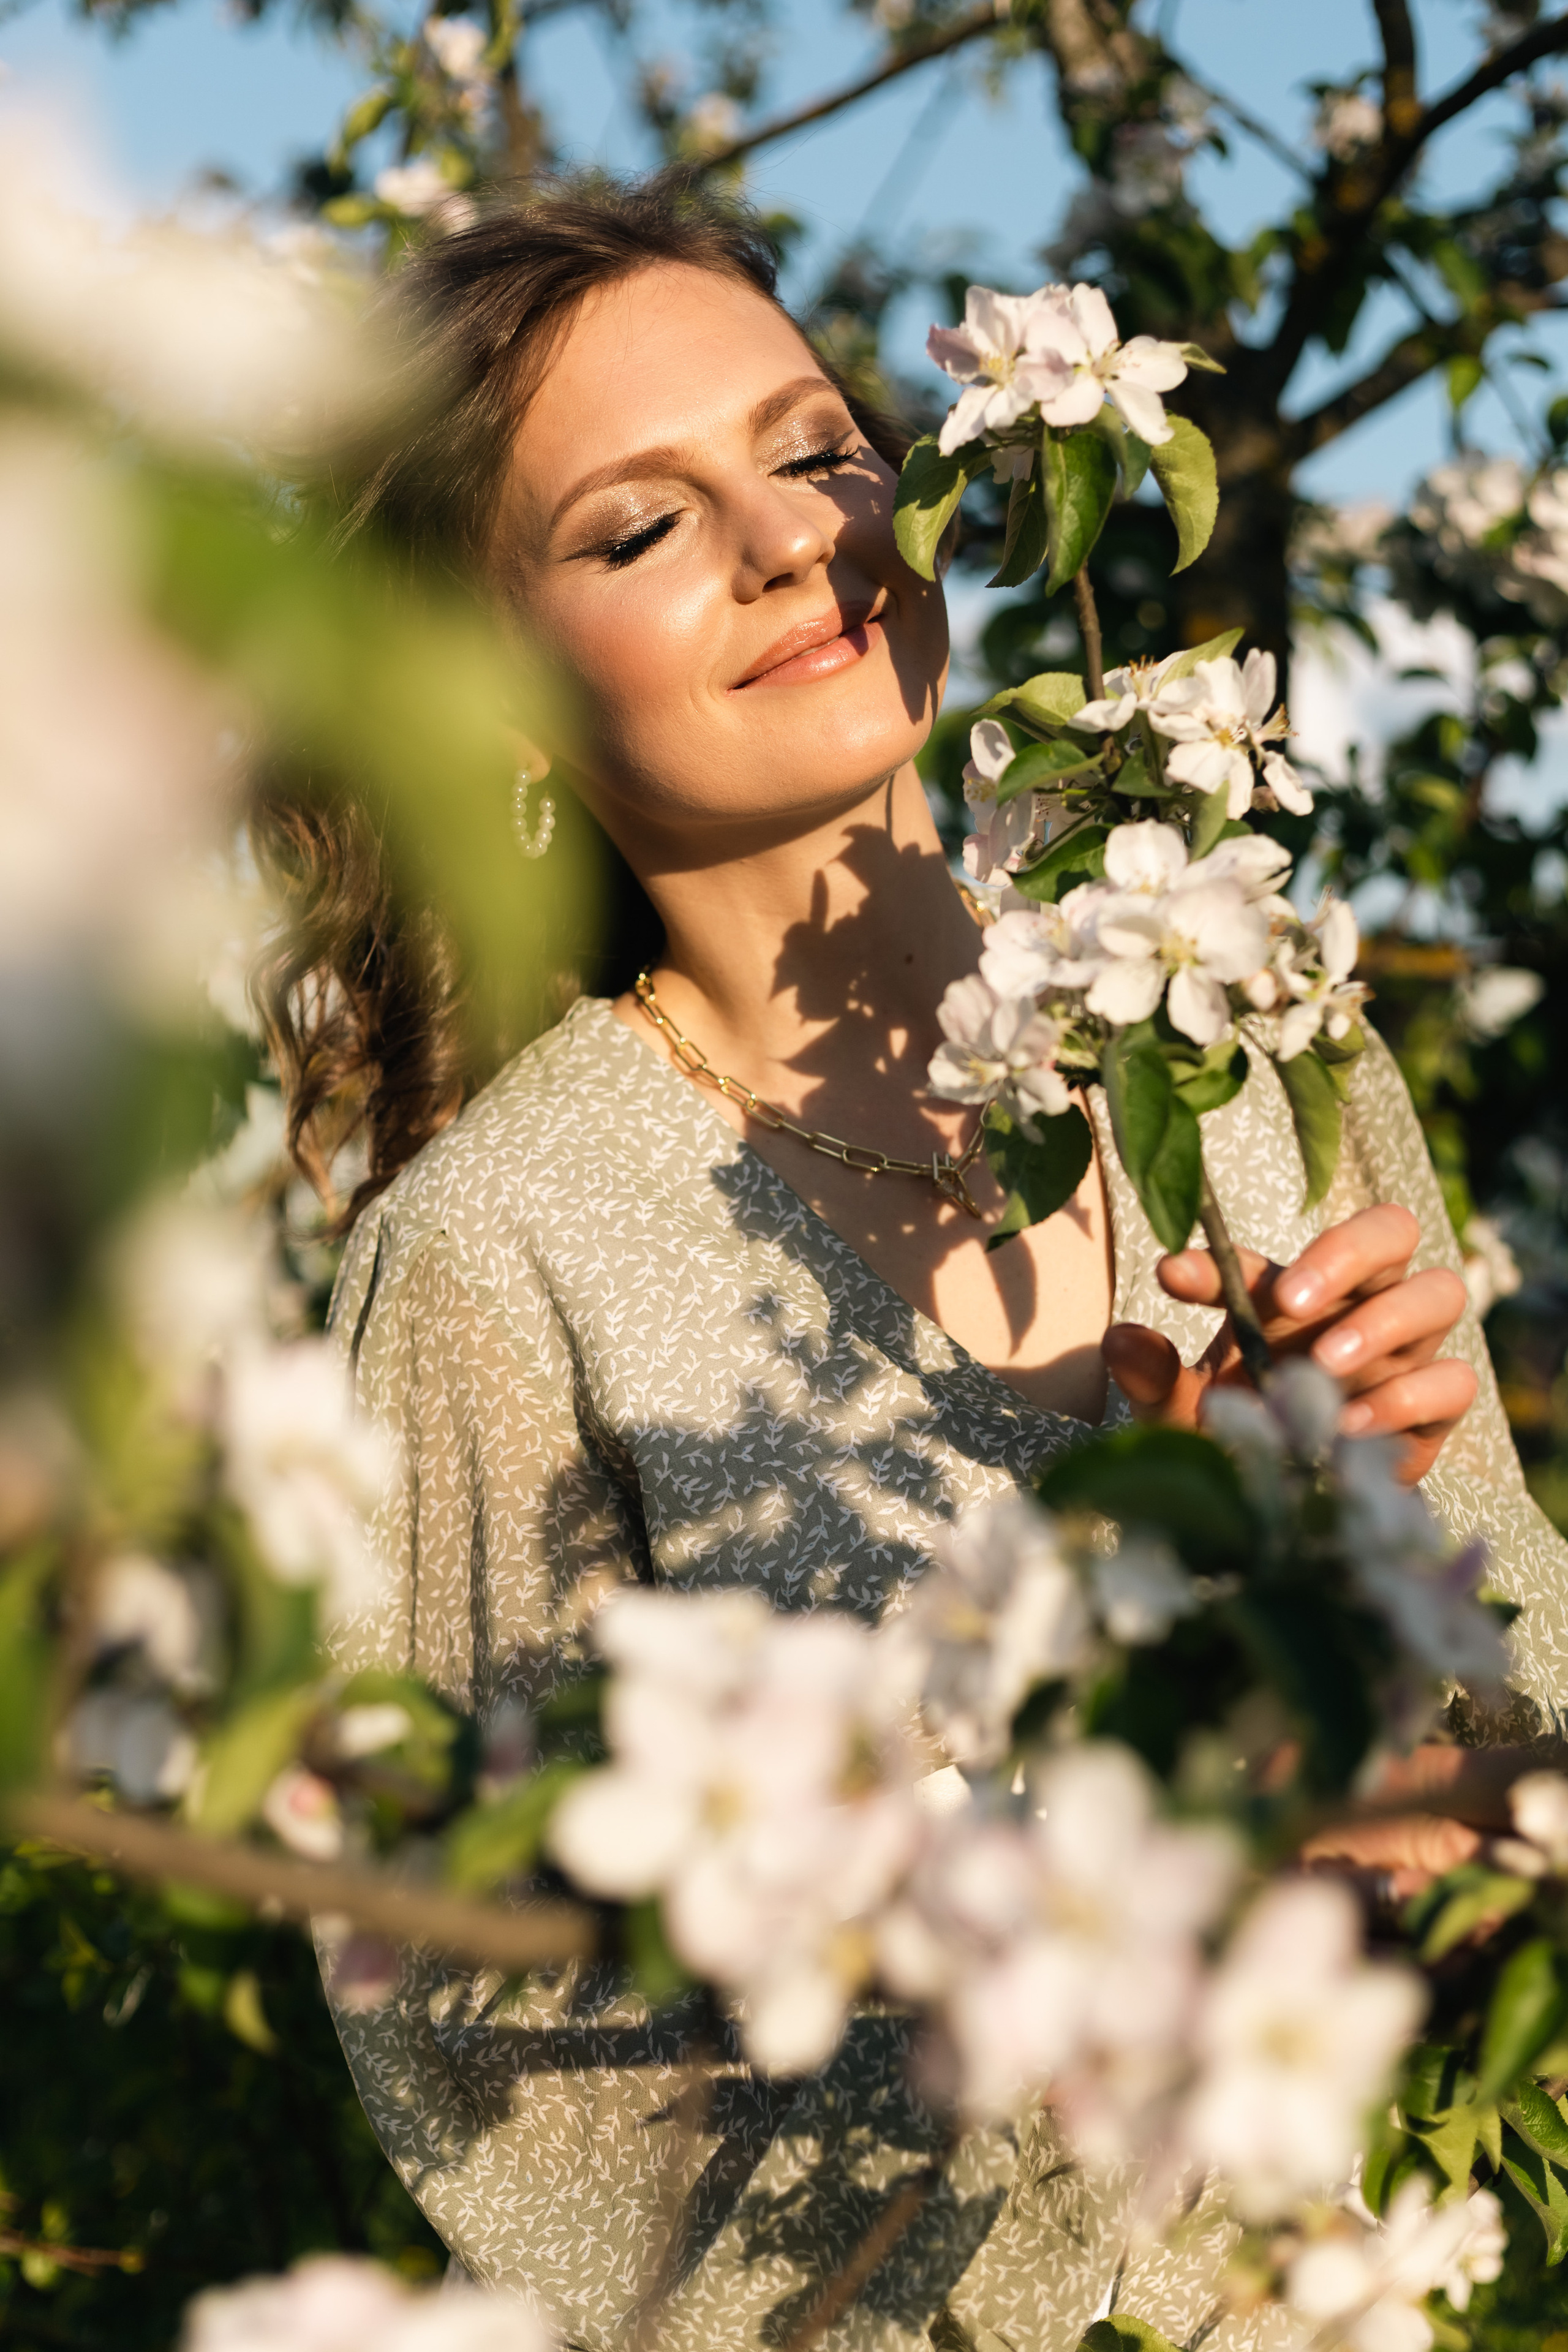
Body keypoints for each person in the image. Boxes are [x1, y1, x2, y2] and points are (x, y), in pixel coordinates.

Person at [257, 176, 1568, 2352]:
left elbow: (1520, 1667)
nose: (792, 539)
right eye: (638, 528)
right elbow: (522, 2097)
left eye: (814, 448)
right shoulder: (498, 1253)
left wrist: (1372, 1609)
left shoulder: (1242, 1031)